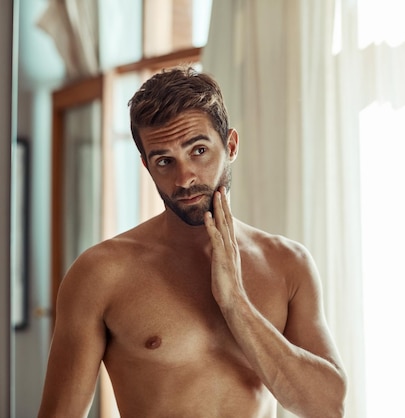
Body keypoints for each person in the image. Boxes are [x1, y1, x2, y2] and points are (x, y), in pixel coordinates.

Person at [38, 66, 347, 418]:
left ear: (230, 145)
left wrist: (236, 304)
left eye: (198, 150)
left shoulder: (288, 264)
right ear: (147, 166)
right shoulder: (101, 273)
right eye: (164, 161)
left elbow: (327, 405)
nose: (184, 178)